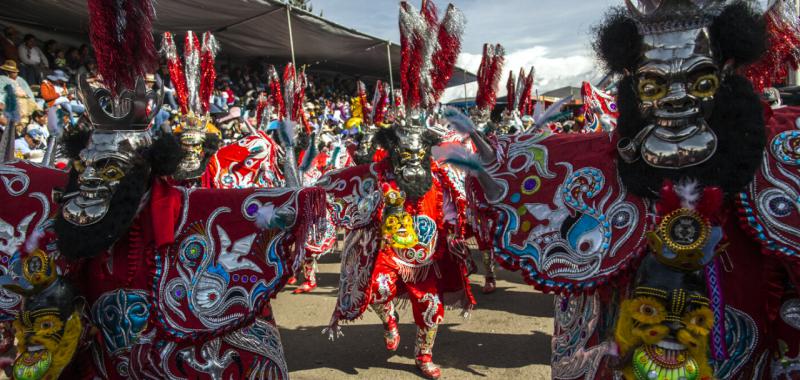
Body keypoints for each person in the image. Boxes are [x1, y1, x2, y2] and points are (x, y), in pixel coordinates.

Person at [461, 1, 800, 378]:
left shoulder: (777, 151)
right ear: (634, 84)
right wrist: (496, 165)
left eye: (699, 82)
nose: (675, 98)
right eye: (655, 85)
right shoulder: (602, 161)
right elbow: (527, 171)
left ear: (726, 73)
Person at [318, 2, 472, 379]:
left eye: (418, 151)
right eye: (405, 151)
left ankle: (423, 356)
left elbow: (455, 209)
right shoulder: (380, 172)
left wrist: (455, 233)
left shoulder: (441, 175)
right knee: (382, 290)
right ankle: (388, 321)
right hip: (388, 249)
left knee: (432, 308)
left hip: (427, 254)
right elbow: (346, 186)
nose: (411, 158)